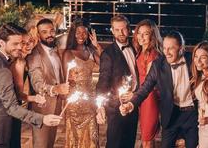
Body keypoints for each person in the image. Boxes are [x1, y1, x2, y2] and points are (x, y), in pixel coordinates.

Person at [0, 23, 62, 148]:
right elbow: (12, 108)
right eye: (15, 44)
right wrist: (43, 119)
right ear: (2, 43)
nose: (20, 47)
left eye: (21, 42)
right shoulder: (3, 72)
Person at [120, 30, 198, 148]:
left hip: (192, 114)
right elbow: (145, 88)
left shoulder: (193, 61)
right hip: (171, 113)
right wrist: (131, 104)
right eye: (165, 48)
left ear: (181, 48)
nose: (166, 52)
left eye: (171, 48)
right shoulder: (158, 64)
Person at [96, 15, 139, 148]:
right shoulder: (108, 54)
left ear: (129, 29)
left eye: (124, 29)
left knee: (129, 142)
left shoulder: (136, 47)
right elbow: (103, 82)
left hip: (133, 103)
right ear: (113, 31)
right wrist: (100, 106)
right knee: (115, 143)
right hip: (115, 108)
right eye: (117, 30)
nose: (121, 33)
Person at [26, 18, 70, 148]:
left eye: (51, 31)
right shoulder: (34, 55)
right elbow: (37, 85)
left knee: (50, 143)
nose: (49, 34)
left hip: (56, 105)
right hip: (41, 107)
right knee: (41, 144)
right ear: (38, 35)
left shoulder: (56, 50)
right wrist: (56, 89)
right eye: (44, 32)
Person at [62, 19, 102, 148]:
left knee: (92, 136)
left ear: (88, 34)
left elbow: (104, 65)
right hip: (74, 102)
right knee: (75, 137)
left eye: (84, 32)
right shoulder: (68, 53)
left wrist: (97, 46)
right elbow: (65, 79)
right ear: (73, 33)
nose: (81, 35)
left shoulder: (91, 51)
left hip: (90, 100)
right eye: (78, 32)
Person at [9, 32, 46, 148]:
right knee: (12, 140)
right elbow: (19, 95)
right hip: (11, 106)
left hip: (14, 105)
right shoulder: (19, 63)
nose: (28, 45)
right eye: (24, 43)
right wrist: (35, 98)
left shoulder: (24, 59)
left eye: (30, 41)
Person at [132, 19, 162, 148]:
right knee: (146, 134)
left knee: (147, 137)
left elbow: (150, 82)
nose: (141, 36)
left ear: (152, 36)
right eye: (139, 33)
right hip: (143, 96)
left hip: (149, 96)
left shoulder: (152, 54)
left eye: (146, 34)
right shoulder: (141, 52)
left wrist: (134, 94)